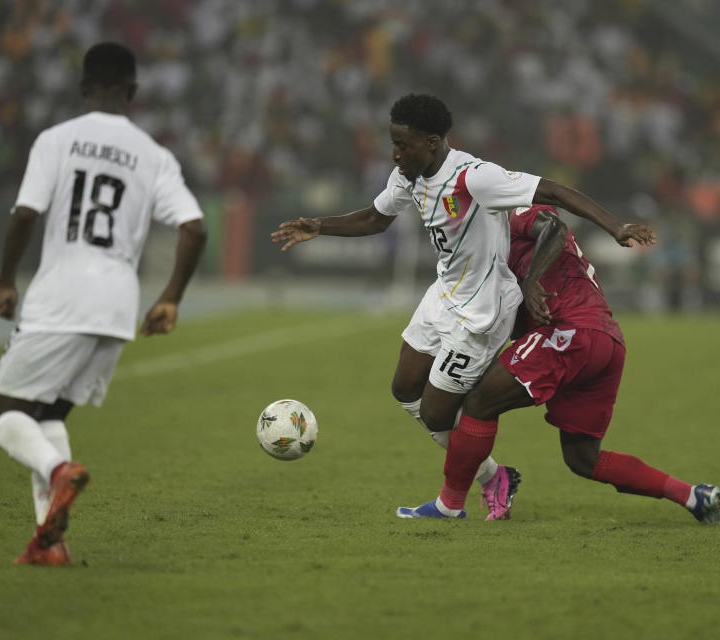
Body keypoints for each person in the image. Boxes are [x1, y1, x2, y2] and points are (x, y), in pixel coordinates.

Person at [271, 94, 653, 519]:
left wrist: (615, 225)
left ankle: (461, 495)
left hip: (483, 310)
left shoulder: (474, 177)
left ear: (432, 143)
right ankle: (493, 476)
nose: (395, 154)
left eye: (404, 144)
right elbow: (377, 218)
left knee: (437, 411)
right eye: (392, 143)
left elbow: (552, 191)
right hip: (444, 292)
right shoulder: (408, 175)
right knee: (403, 388)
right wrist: (320, 226)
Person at [0, 42, 207, 565]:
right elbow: (195, 229)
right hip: (116, 305)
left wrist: (5, 281)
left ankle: (60, 473)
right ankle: (50, 541)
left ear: (85, 88)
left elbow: (23, 215)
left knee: (3, 413)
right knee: (49, 411)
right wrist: (170, 299)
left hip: (62, 293)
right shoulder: (154, 155)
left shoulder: (56, 140)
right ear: (132, 93)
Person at [396, 205, 720, 523]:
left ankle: (450, 504)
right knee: (583, 458)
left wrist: (530, 281)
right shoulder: (493, 249)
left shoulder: (513, 213)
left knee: (481, 401)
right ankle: (692, 495)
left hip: (572, 333)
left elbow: (553, 227)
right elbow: (522, 321)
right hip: (606, 340)